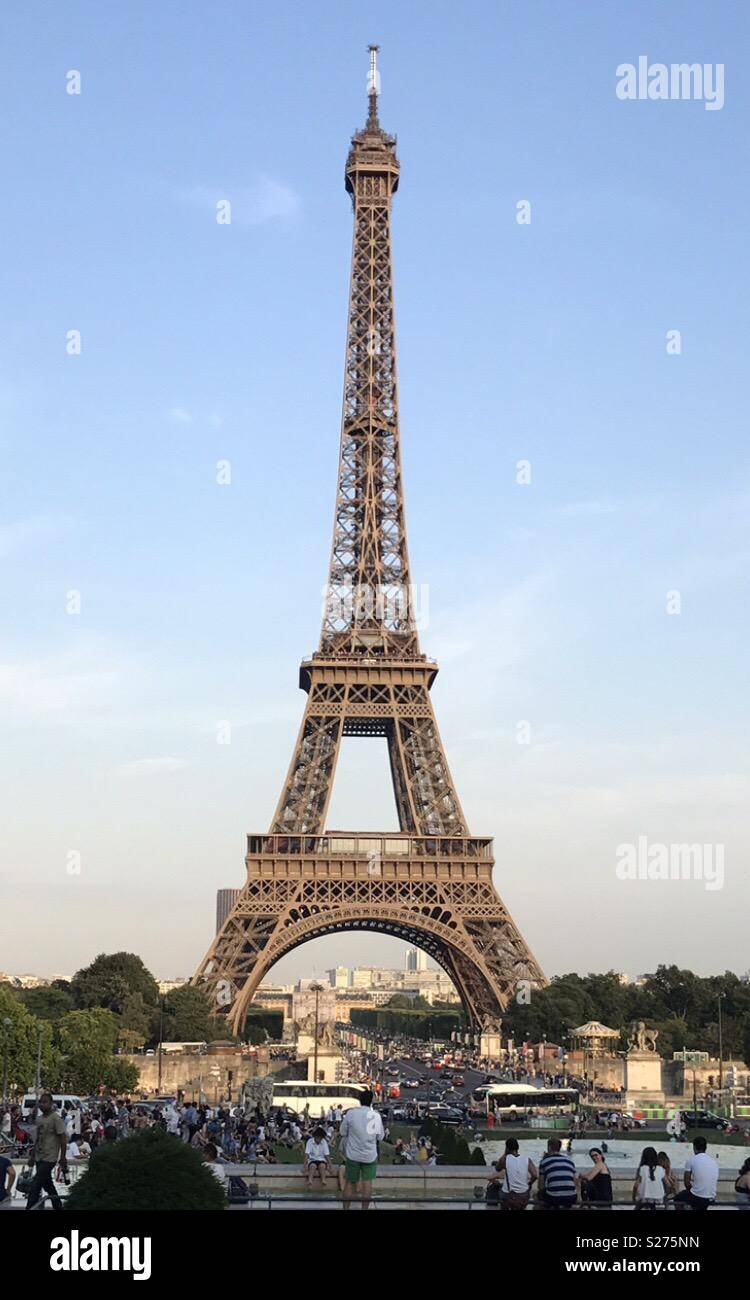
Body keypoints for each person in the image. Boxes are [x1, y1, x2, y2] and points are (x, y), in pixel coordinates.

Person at [339, 1089, 384, 1211]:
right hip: (369, 1155)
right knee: (367, 1182)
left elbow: (342, 1132)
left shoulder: (351, 1113)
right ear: (371, 1101)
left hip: (353, 1155)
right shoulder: (376, 1115)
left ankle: (346, 1208)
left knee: (349, 1182)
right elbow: (380, 1136)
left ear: (359, 1100)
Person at [25, 1093, 67, 1211]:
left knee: (36, 1184)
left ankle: (29, 1208)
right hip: (39, 1156)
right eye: (41, 1102)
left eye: (45, 1102)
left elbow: (63, 1138)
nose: (42, 1105)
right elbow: (37, 1139)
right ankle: (58, 1207)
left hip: (50, 1157)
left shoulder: (56, 1119)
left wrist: (63, 1157)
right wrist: (32, 1156)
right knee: (48, 1185)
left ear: (51, 1104)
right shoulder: (39, 1119)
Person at [489, 1138, 537, 1212]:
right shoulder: (527, 1159)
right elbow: (535, 1175)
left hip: (509, 1195)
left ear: (507, 1148)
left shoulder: (504, 1159)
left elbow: (497, 1168)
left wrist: (505, 1153)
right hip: (524, 1194)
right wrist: (529, 1184)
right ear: (518, 1147)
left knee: (499, 1190)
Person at [674, 1137, 718, 1211]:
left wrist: (693, 1190)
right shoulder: (713, 1162)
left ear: (694, 1147)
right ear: (705, 1148)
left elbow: (687, 1183)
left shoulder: (691, 1160)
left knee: (677, 1198)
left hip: (698, 1197)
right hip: (711, 1197)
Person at [536, 1137, 578, 1209]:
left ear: (549, 1147)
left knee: (538, 1195)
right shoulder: (570, 1161)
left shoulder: (544, 1161)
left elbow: (540, 1186)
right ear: (560, 1148)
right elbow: (575, 1183)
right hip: (572, 1196)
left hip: (554, 1198)